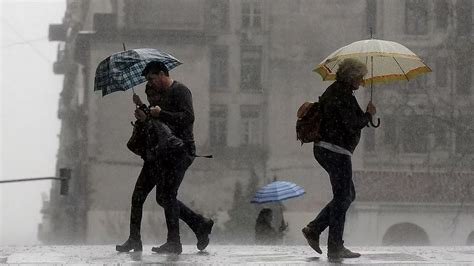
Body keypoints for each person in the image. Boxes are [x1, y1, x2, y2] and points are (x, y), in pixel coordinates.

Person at [116, 61, 214, 254]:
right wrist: (143, 113)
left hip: (180, 151)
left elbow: (187, 118)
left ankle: (175, 242)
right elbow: (156, 125)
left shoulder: (181, 90)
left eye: (152, 79)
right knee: (139, 196)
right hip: (158, 153)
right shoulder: (157, 95)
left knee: (166, 195)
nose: (150, 83)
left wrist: (162, 113)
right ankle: (135, 239)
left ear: (162, 74)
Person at [301, 58, 376, 259]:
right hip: (334, 151)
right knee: (344, 197)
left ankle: (321, 234)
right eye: (360, 77)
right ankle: (329, 241)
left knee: (346, 195)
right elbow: (352, 123)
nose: (362, 81)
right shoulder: (340, 94)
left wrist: (366, 116)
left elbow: (352, 120)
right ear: (351, 76)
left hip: (331, 150)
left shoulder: (341, 93)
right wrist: (368, 115)